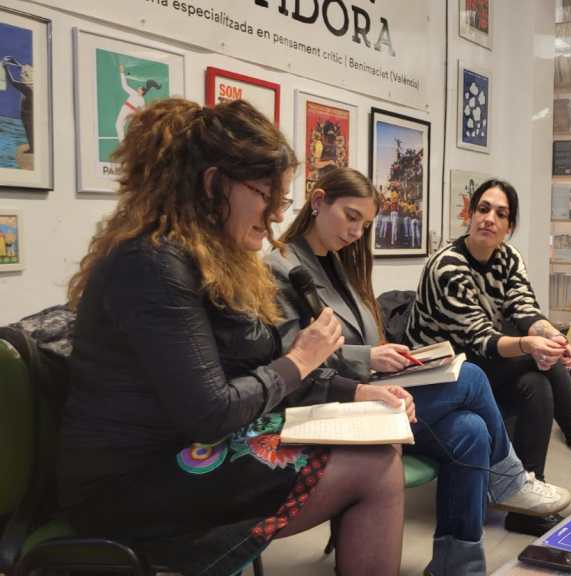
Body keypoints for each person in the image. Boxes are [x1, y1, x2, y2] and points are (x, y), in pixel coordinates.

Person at [60, 98, 406, 576]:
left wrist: (357, 391)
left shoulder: (210, 260)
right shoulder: (153, 265)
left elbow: (261, 362)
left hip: (182, 448)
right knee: (374, 468)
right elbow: (213, 412)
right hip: (129, 483)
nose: (275, 216)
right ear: (213, 184)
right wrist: (300, 361)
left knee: (380, 447)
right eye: (267, 196)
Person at [266, 166, 571, 574]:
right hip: (331, 403)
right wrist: (367, 357)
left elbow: (353, 338)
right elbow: (294, 356)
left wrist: (380, 352)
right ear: (318, 202)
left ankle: (457, 567)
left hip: (371, 391)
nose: (356, 232)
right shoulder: (283, 266)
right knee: (471, 376)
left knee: (471, 431)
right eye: (351, 217)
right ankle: (511, 480)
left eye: (365, 224)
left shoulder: (337, 261)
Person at [405, 178, 571, 536]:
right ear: (470, 215)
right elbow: (481, 339)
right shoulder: (447, 266)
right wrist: (531, 346)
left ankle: (528, 499)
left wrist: (553, 337)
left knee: (536, 382)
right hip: (441, 377)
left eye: (501, 214)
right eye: (483, 209)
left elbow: (524, 309)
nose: (489, 218)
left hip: (479, 369)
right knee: (534, 361)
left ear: (509, 226)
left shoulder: (508, 257)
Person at [115, 63, 161, 141]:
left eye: (139, 88)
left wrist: (122, 72)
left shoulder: (139, 98)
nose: (137, 88)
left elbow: (143, 111)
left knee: (119, 125)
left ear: (142, 92)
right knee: (119, 125)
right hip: (128, 111)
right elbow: (124, 86)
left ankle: (125, 142)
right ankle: (124, 141)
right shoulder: (138, 96)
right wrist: (122, 73)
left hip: (128, 111)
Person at [2, 57, 33, 153]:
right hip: (30, 112)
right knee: (30, 130)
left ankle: (32, 148)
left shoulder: (26, 87)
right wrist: (15, 62)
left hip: (28, 113)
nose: (21, 74)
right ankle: (32, 148)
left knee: (29, 131)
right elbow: (25, 70)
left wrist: (6, 69)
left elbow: (12, 81)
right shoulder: (33, 83)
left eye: (24, 74)